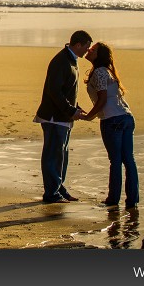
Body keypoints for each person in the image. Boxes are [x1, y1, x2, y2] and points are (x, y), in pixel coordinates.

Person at [34, 30, 92, 203]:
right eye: (86, 47)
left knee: (61, 155)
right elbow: (54, 92)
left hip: (63, 117)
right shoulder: (61, 61)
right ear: (78, 44)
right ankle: (52, 193)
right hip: (53, 117)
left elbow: (67, 92)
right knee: (53, 155)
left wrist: (76, 108)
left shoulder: (71, 60)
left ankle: (58, 188)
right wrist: (70, 110)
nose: (87, 51)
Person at [82, 41, 139, 208]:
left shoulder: (100, 72)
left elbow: (102, 100)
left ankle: (113, 199)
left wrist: (89, 117)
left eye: (93, 49)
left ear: (99, 55)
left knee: (116, 161)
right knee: (129, 160)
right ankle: (132, 200)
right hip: (126, 117)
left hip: (112, 119)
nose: (89, 50)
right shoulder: (107, 71)